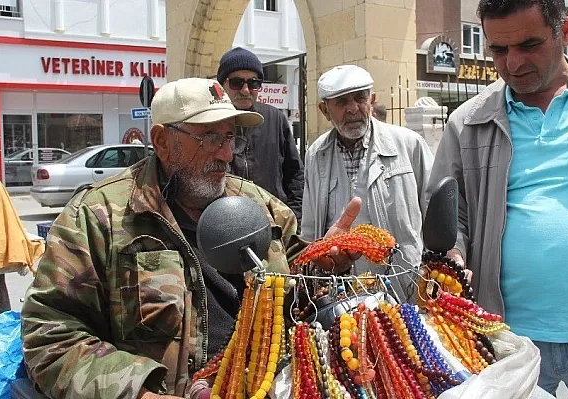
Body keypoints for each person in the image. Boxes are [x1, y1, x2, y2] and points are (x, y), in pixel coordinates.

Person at [21, 78, 360, 399]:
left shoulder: (263, 209)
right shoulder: (99, 217)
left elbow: (301, 297)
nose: (226, 154)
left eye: (230, 138)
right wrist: (138, 392)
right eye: (209, 138)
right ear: (162, 141)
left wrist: (323, 266)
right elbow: (50, 335)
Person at [428, 0, 568, 397]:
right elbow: (453, 211)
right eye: (498, 50)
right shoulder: (467, 122)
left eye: (529, 45)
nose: (513, 63)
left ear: (565, 32)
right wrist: (454, 255)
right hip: (507, 344)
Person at [301, 64, 434, 302]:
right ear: (324, 110)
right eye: (341, 102)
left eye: (360, 98)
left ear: (371, 101)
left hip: (405, 287)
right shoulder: (316, 154)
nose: (353, 109)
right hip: (342, 294)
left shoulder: (409, 144)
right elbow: (310, 229)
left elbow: (434, 213)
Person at [217, 47, 305, 222]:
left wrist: (295, 217)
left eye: (253, 83)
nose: (246, 90)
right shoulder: (212, 121)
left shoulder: (274, 118)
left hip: (275, 223)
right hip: (228, 223)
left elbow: (294, 173)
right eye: (236, 83)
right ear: (222, 85)